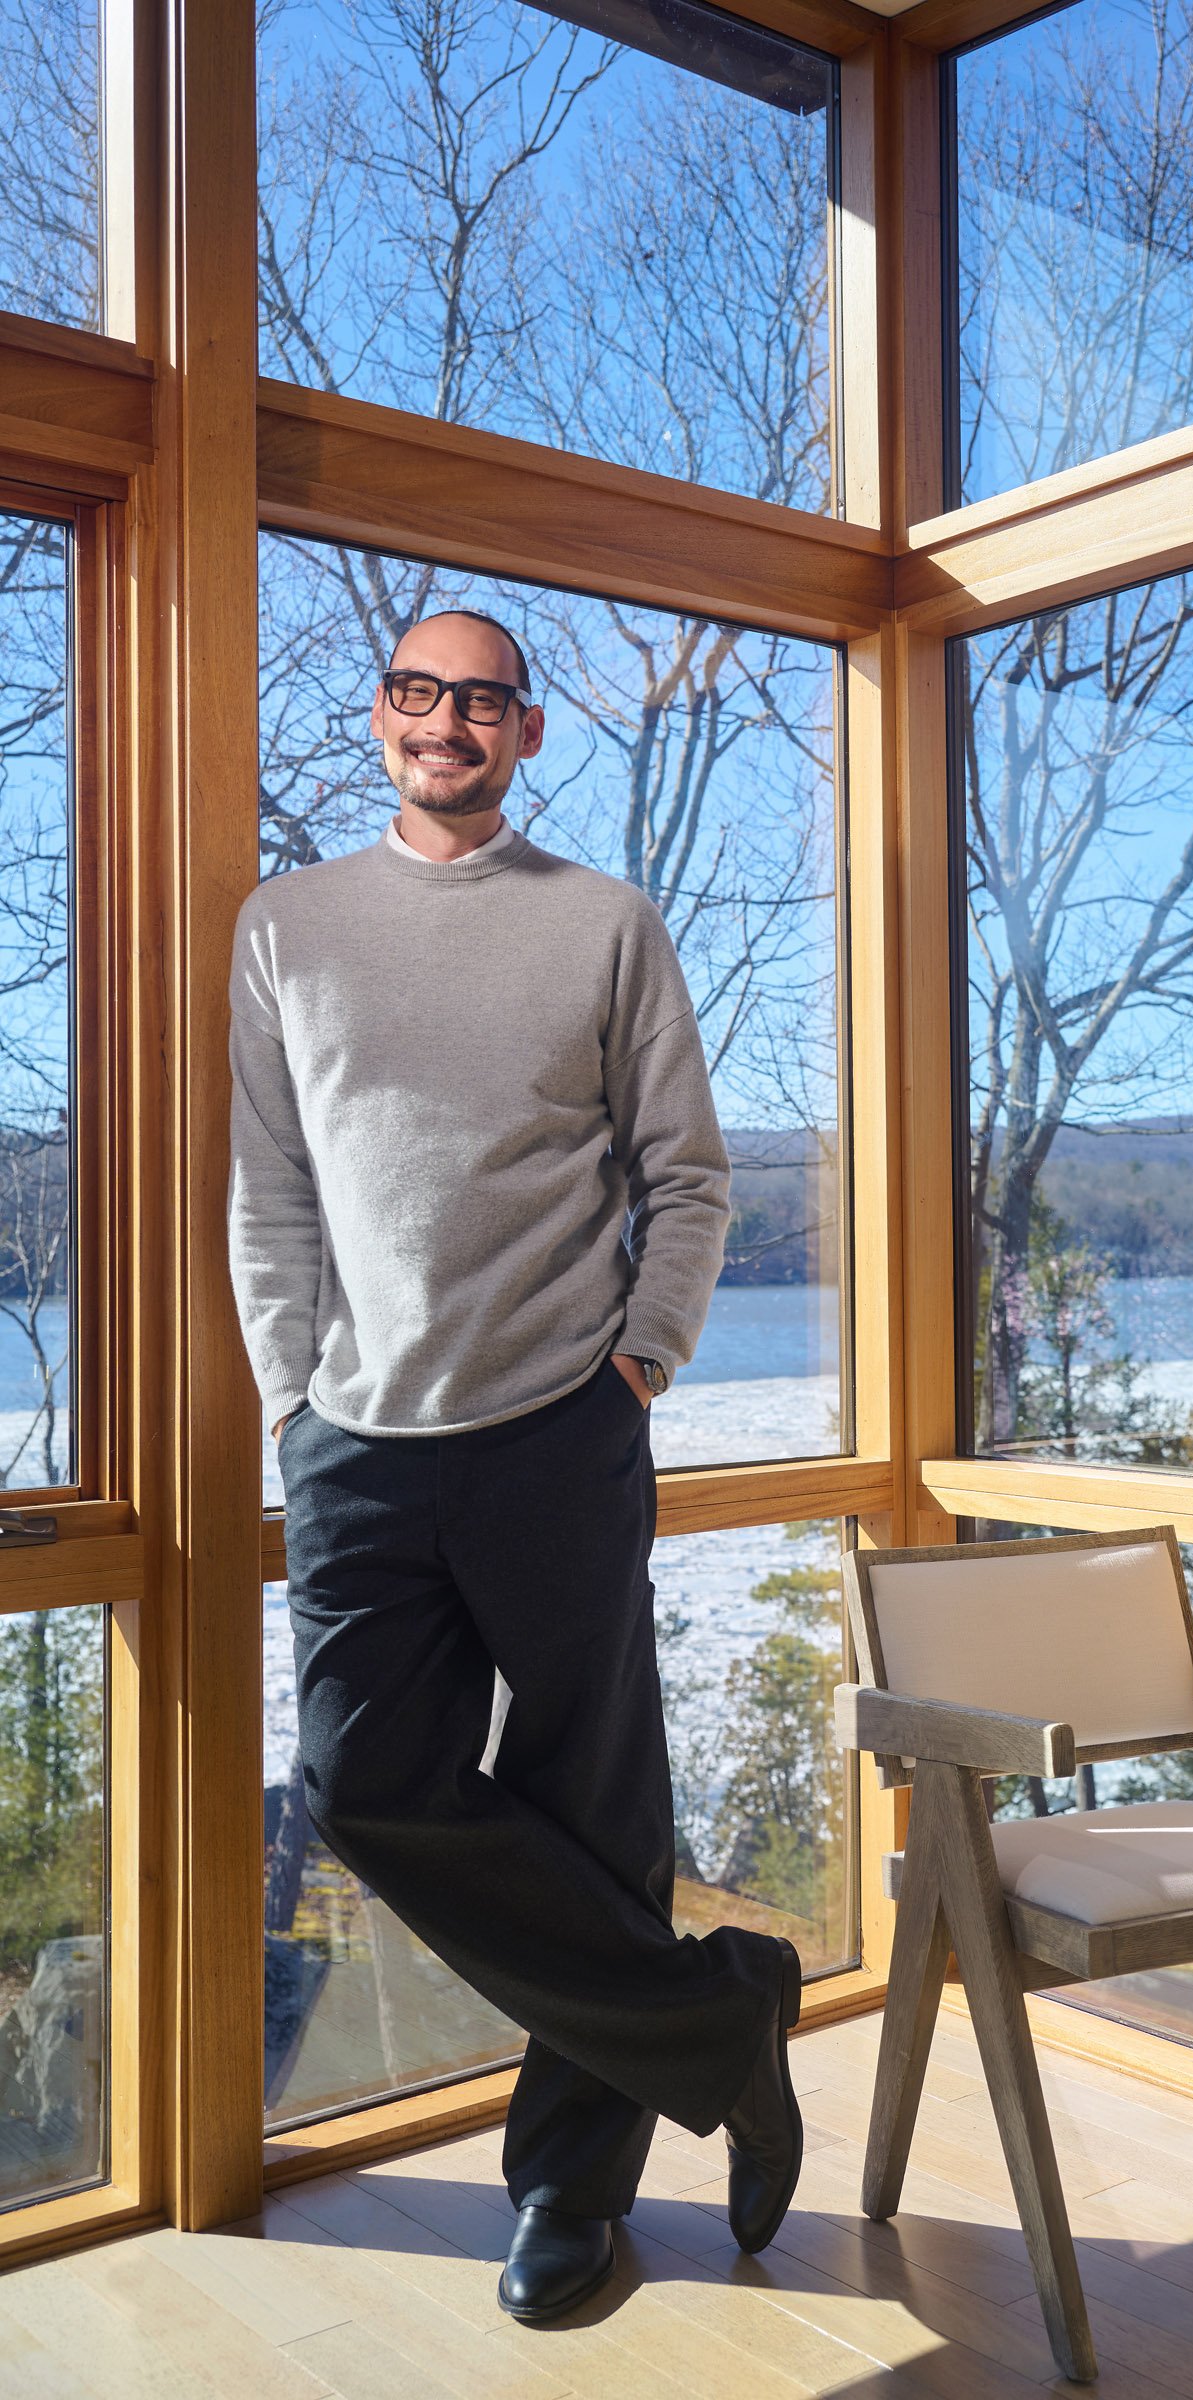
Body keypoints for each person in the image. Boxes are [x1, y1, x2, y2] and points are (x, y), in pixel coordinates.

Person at [227, 607, 804, 2325]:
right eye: (420, 693)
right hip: (356, 1439)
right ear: (382, 714)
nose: (447, 723)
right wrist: (290, 1402)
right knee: (362, 1782)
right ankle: (716, 2017)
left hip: (561, 1424)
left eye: (481, 701)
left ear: (527, 732)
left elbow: (687, 1176)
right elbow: (271, 1187)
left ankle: (569, 2192)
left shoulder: (603, 924)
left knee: (592, 1804)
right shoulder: (288, 925)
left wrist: (638, 1366)